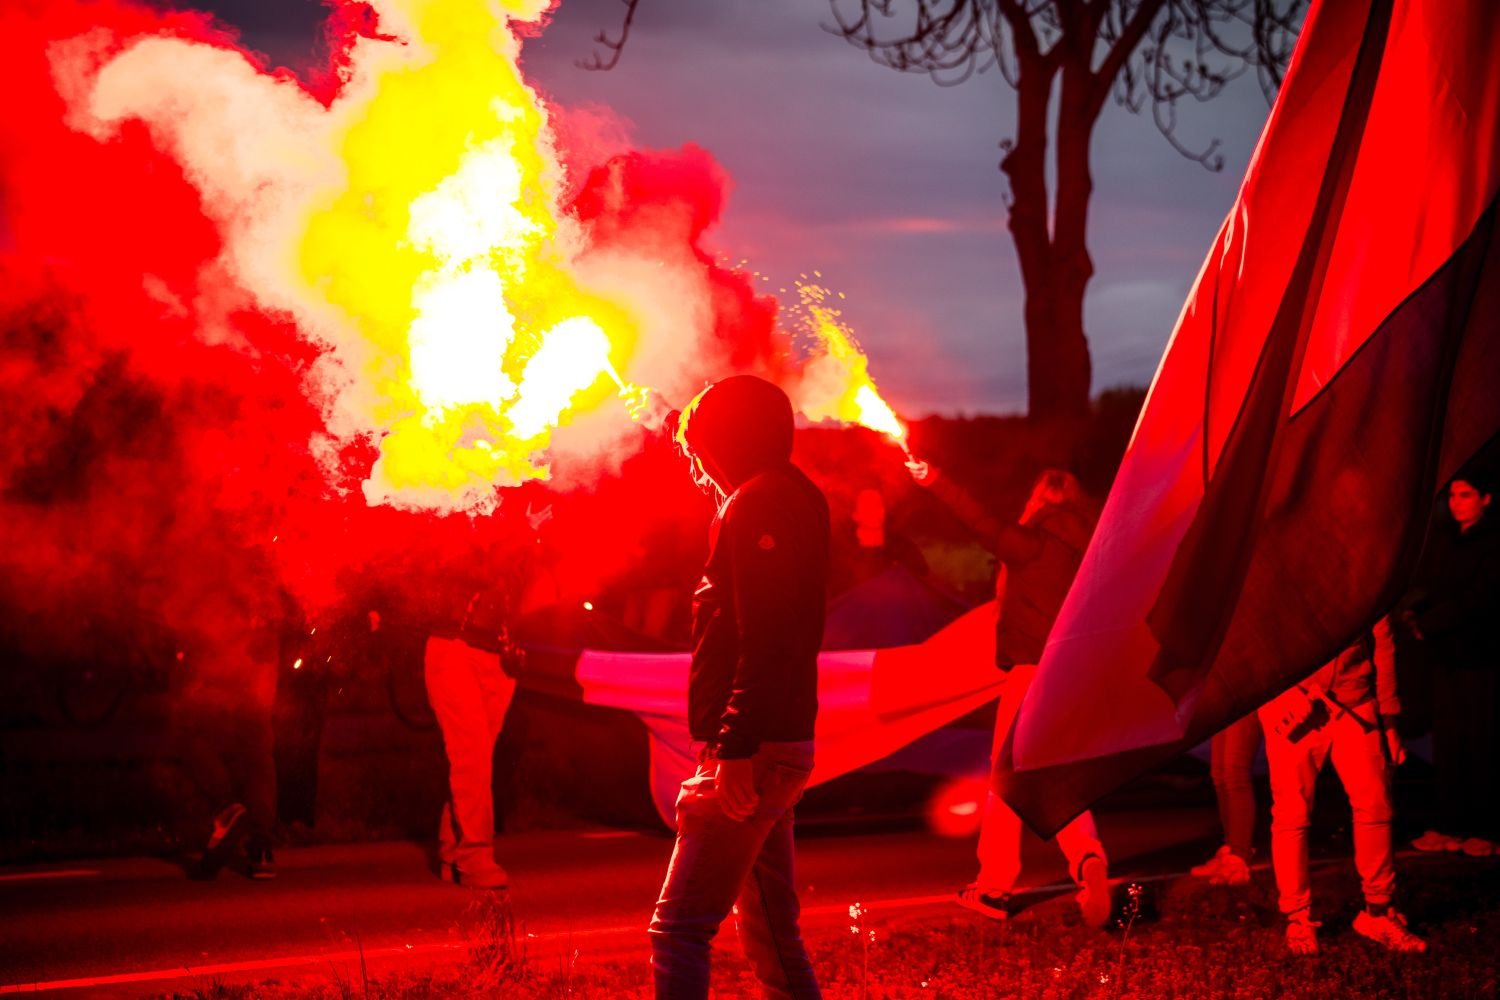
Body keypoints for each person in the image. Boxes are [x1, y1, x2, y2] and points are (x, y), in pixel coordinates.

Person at [649, 375, 828, 1000]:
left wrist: (731, 748)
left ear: (729, 436)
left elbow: (768, 637)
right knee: (774, 933)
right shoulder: (786, 494)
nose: (695, 456)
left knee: (678, 929)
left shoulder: (757, 504)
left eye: (702, 438)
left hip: (754, 751)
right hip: (773, 743)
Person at [908, 460, 1111, 927]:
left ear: (1039, 500)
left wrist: (934, 479)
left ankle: (995, 887)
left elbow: (979, 522)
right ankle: (1087, 857)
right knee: (1057, 775)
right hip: (1071, 673)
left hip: (1031, 673)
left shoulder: (1033, 543)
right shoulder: (1090, 548)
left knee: (1005, 778)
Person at [1258, 616, 1426, 954]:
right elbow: (1254, 635)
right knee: (1292, 813)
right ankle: (1297, 917)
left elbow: (1383, 643)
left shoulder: (1365, 571)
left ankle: (1378, 910)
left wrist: (1389, 718)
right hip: (1291, 703)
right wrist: (1277, 692)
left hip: (1355, 703)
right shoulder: (1278, 569)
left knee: (1376, 805)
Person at [1405, 472, 1500, 857]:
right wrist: (1415, 612)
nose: (1458, 502)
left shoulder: (1493, 544)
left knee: (1481, 742)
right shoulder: (1447, 541)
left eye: (1466, 494)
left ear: (1486, 499)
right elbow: (1436, 587)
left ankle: (1485, 827)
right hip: (1447, 655)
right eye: (1454, 495)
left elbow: (1480, 598)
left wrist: (1428, 623)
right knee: (1449, 743)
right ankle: (1450, 823)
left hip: (1481, 657)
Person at [1188, 712, 1263, 886]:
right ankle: (1231, 849)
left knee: (1234, 772)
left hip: (1247, 698)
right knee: (1219, 774)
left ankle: (1239, 857)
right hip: (1230, 700)